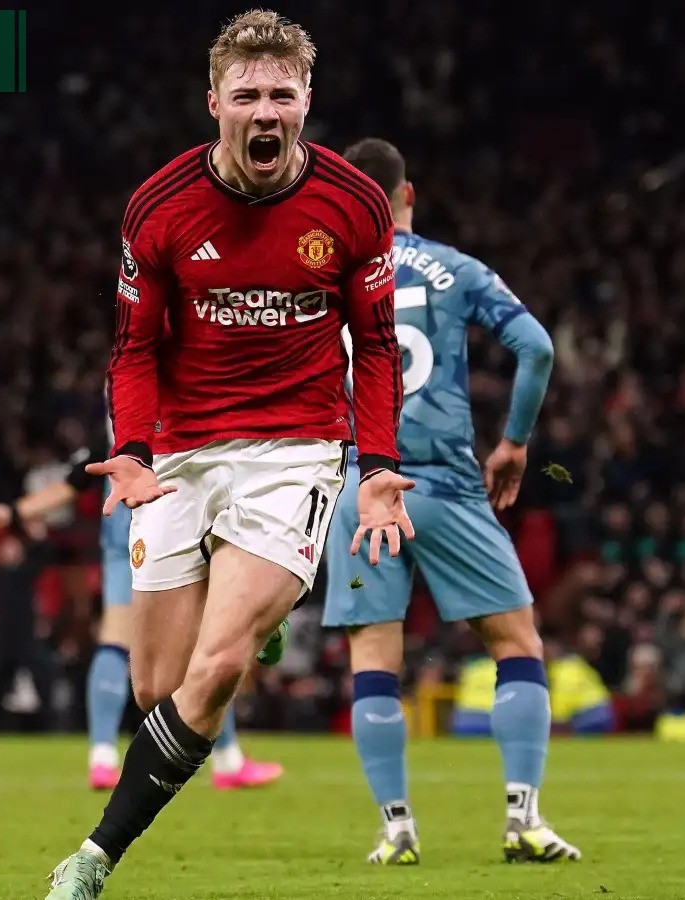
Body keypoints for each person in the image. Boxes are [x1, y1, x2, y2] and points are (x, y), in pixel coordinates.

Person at [41, 11, 413, 898]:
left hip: (296, 452)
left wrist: (378, 470)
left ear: (306, 101)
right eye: (246, 94)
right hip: (181, 450)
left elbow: (379, 344)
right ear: (215, 103)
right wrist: (130, 452)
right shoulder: (159, 207)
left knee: (214, 670)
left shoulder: (354, 204)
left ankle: (91, 861)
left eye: (281, 94)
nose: (265, 110)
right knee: (158, 688)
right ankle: (257, 611)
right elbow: (133, 349)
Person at [322, 138, 579, 865]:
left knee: (374, 658)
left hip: (359, 487)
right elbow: (537, 349)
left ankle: (396, 829)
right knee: (516, 645)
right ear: (410, 195)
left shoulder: (321, 279)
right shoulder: (456, 269)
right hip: (443, 482)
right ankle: (523, 819)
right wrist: (516, 444)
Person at [0, 419, 285, 790]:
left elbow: (80, 474)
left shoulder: (123, 386)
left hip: (123, 509)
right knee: (199, 637)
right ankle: (225, 759)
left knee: (127, 636)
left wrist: (13, 513)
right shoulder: (174, 377)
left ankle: (104, 757)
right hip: (169, 501)